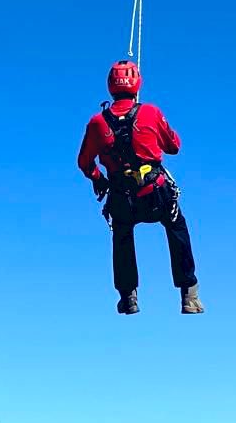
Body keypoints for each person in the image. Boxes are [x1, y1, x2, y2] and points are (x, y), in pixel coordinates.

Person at [76, 60, 203, 315]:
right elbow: (174, 146)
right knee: (177, 227)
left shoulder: (97, 122)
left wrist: (98, 179)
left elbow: (84, 162)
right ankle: (189, 295)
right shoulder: (151, 113)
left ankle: (128, 297)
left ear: (110, 86)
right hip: (154, 193)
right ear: (137, 84)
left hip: (122, 197)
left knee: (122, 234)